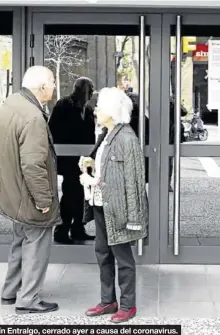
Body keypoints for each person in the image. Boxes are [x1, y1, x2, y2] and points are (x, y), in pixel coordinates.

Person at [0, 66, 60, 314]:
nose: (54, 87)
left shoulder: (12, 104)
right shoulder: (34, 117)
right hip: (28, 196)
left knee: (20, 241)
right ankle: (28, 300)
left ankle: (10, 291)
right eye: (51, 82)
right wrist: (44, 200)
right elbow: (32, 164)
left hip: (12, 194)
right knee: (37, 245)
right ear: (41, 88)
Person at [79, 87, 149, 323]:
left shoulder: (127, 139)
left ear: (112, 111)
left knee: (123, 259)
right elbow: (108, 173)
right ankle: (108, 301)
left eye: (99, 106)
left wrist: (134, 218)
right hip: (101, 205)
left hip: (118, 209)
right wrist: (91, 164)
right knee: (102, 253)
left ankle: (128, 305)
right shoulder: (106, 135)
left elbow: (135, 181)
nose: (95, 110)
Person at [48, 77, 96, 244]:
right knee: (70, 193)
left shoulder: (88, 110)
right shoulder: (64, 105)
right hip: (67, 159)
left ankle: (77, 228)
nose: (90, 94)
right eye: (89, 90)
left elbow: (90, 135)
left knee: (80, 194)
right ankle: (62, 230)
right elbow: (52, 129)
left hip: (82, 159)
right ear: (80, 90)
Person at [168, 97, 188, 191]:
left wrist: (176, 103)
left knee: (169, 161)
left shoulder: (173, 104)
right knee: (168, 161)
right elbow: (184, 112)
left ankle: (166, 183)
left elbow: (184, 112)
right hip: (166, 134)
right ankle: (165, 183)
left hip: (171, 134)